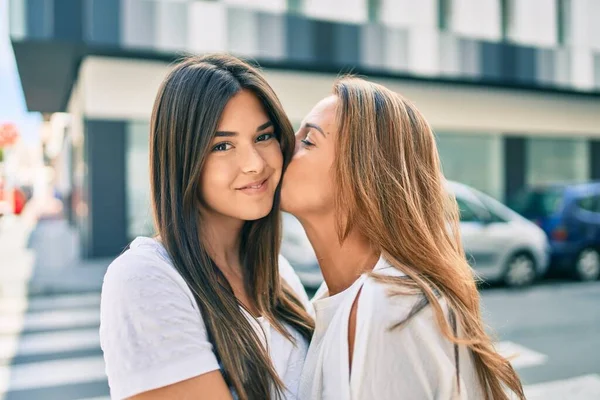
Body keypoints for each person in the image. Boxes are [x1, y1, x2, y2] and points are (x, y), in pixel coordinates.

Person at [281, 76, 525, 400]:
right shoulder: (342, 296)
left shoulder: (386, 307)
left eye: (308, 141)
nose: (284, 147)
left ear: (360, 176)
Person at [100, 54, 314, 400]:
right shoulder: (145, 277)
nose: (254, 164)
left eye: (264, 137)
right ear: (183, 160)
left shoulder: (278, 272)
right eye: (222, 146)